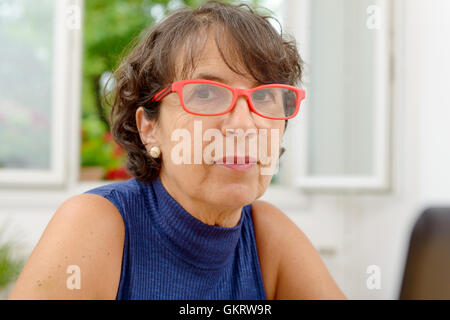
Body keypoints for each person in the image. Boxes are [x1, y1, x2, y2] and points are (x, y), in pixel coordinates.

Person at [9, 1, 346, 300]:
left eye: (264, 96)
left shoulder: (267, 235)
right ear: (149, 128)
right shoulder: (95, 225)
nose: (244, 124)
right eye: (205, 93)